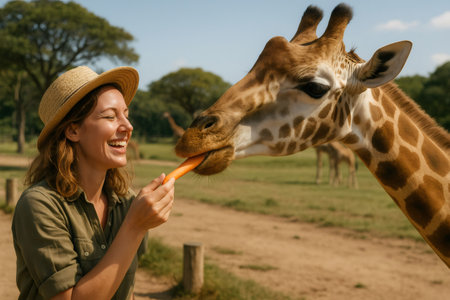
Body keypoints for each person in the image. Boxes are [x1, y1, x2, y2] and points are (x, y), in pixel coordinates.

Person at [11, 66, 175, 300]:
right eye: (110, 116)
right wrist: (134, 226)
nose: (128, 127)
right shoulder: (39, 205)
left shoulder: (126, 201)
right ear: (73, 130)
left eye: (126, 115)